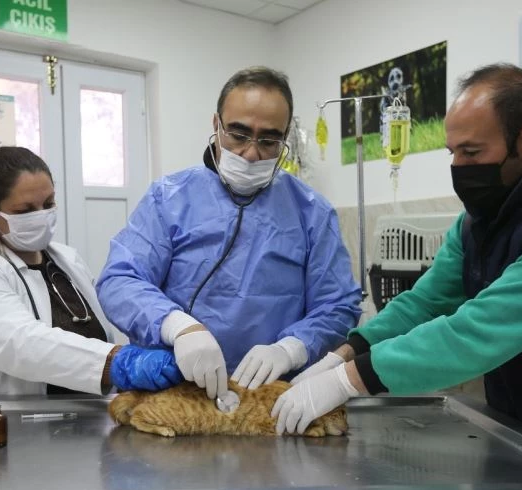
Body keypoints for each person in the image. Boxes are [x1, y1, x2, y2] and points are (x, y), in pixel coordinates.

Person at [273, 63, 522, 490]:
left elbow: (475, 331)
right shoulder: (481, 220)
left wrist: (346, 381)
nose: (458, 169)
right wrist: (345, 351)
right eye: (452, 153)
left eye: (472, 152)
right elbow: (423, 303)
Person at [96, 67, 361, 402]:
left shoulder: (311, 213)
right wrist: (178, 326)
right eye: (238, 134)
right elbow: (119, 280)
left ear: (285, 139)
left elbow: (338, 304)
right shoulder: (169, 199)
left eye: (268, 140)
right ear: (216, 126)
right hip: (174, 392)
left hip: (270, 399)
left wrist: (292, 348)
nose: (251, 154)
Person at [0, 146, 183, 397]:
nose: (41, 216)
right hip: (1, 426)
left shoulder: (67, 260)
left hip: (81, 423)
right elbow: (23, 345)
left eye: (48, 203)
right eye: (25, 211)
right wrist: (120, 363)